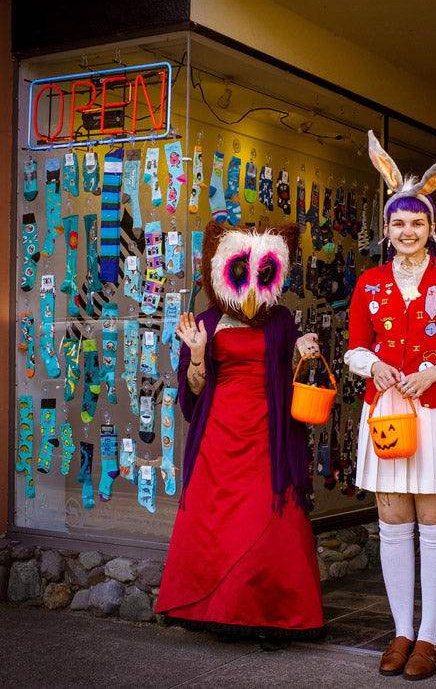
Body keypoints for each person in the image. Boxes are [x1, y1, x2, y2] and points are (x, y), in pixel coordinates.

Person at [344, 131, 436, 680]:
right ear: (387, 230)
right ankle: (400, 630)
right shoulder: (368, 283)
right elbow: (355, 347)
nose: (408, 232)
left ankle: (430, 637)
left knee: (435, 524)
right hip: (386, 413)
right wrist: (373, 366)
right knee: (392, 523)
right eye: (399, 224)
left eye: (417, 223)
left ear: (431, 229)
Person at [155, 221, 324, 648]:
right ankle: (223, 609)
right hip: (220, 435)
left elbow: (289, 370)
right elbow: (192, 394)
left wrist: (302, 349)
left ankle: (274, 616)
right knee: (218, 525)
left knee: (271, 526)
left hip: (270, 435)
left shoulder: (282, 319)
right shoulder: (205, 322)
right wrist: (196, 356)